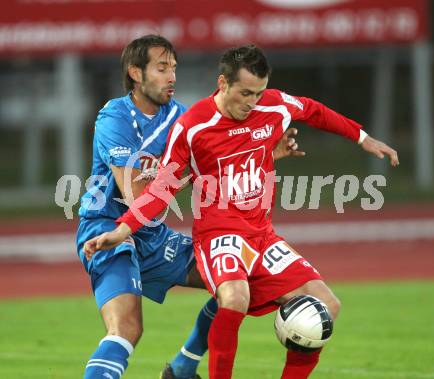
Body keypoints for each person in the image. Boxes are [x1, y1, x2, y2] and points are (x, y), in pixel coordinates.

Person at [84, 44, 399, 379]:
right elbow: (162, 188)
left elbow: (312, 110)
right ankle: (191, 366)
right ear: (223, 84)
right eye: (245, 93)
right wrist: (122, 229)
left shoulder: (273, 105)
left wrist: (362, 137)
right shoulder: (193, 125)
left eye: (259, 93)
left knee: (326, 308)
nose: (252, 102)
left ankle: (186, 366)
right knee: (234, 295)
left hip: (261, 234)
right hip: (218, 233)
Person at [77, 36, 302, 379]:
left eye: (174, 69)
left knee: (239, 280)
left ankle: (184, 365)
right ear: (135, 73)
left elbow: (218, 168)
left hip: (151, 234)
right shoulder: (115, 117)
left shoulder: (183, 117)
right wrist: (181, 173)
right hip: (108, 229)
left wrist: (267, 155)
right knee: (126, 329)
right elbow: (138, 197)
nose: (172, 77)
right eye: (162, 68)